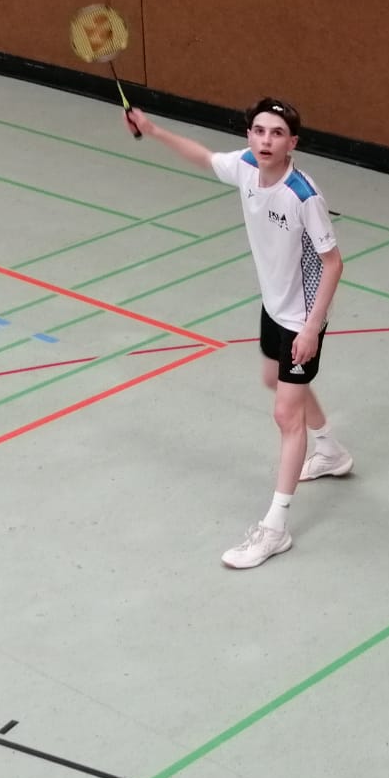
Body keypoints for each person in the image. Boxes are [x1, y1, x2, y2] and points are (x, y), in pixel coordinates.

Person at [123, 99, 354, 570]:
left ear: (293, 143)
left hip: (302, 315)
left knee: (286, 414)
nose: (266, 140)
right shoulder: (246, 166)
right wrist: (152, 129)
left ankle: (275, 528)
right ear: (249, 135)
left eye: (277, 133)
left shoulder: (302, 195)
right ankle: (331, 450)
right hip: (274, 304)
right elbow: (204, 157)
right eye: (259, 130)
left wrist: (311, 328)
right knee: (276, 381)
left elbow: (333, 264)